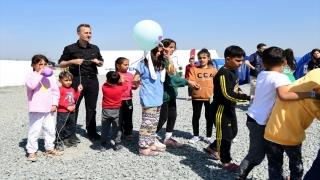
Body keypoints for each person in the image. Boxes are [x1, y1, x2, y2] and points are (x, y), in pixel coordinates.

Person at [235, 46, 315, 179]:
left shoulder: (262, 74)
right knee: (256, 154)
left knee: (269, 154)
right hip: (260, 120)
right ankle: (239, 176)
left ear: (263, 63)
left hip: (254, 116)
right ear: (284, 63)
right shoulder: (280, 78)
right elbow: (284, 95)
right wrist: (311, 94)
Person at [263, 68, 320, 180]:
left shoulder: (288, 89)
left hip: (271, 134)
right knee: (295, 165)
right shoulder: (311, 100)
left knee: (274, 164)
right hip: (291, 137)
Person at [204, 46, 252, 172]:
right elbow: (227, 94)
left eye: (242, 60)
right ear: (227, 59)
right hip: (220, 109)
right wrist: (248, 97)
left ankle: (212, 148)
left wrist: (240, 91)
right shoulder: (223, 73)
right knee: (224, 136)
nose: (240, 63)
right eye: (237, 60)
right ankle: (226, 161)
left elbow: (234, 88)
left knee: (233, 132)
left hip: (230, 108)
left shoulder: (233, 71)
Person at [58, 24, 104, 142]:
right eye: (86, 33)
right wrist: (72, 61)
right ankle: (70, 133)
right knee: (74, 107)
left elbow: (101, 62)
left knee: (91, 107)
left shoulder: (95, 48)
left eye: (90, 33)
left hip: (93, 79)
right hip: (77, 79)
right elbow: (61, 64)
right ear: (78, 34)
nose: (89, 35)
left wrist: (98, 62)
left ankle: (92, 132)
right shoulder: (70, 48)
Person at [133, 43, 175, 156]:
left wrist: (169, 58)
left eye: (161, 51)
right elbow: (135, 78)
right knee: (147, 123)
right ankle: (142, 147)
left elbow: (173, 72)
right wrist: (136, 83)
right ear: (151, 52)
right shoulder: (142, 64)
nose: (160, 53)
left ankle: (150, 143)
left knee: (154, 123)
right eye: (158, 51)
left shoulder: (161, 64)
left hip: (158, 98)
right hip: (148, 97)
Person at [156, 38, 199, 148]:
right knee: (163, 117)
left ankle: (168, 137)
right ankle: (151, 136)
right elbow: (173, 79)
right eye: (169, 47)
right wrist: (188, 82)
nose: (171, 49)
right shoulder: (161, 61)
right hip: (163, 94)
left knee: (172, 115)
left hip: (171, 94)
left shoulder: (168, 60)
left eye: (173, 47)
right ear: (162, 47)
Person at [25, 54, 63, 162]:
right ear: (33, 65)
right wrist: (40, 73)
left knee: (50, 129)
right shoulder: (30, 75)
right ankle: (32, 151)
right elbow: (31, 85)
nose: (43, 66)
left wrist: (54, 103)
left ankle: (49, 148)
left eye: (45, 64)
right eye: (40, 64)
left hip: (48, 109)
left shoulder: (50, 76)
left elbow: (55, 91)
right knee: (34, 130)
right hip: (36, 109)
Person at [188, 48, 218, 144]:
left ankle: (208, 137)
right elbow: (191, 81)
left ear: (208, 58)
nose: (202, 60)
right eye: (200, 58)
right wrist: (192, 84)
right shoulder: (194, 69)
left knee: (209, 117)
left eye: (204, 57)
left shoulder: (213, 70)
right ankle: (195, 135)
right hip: (197, 97)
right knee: (196, 116)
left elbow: (218, 83)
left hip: (210, 98)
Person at [100, 71, 128, 152]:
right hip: (117, 110)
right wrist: (122, 79)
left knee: (105, 127)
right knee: (117, 128)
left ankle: (103, 144)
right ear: (118, 80)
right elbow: (125, 86)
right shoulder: (120, 88)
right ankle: (117, 144)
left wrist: (117, 79)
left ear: (107, 80)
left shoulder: (104, 87)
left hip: (106, 110)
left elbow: (106, 82)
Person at [55, 71, 83, 151]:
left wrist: (78, 91)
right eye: (66, 80)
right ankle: (58, 140)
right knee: (61, 126)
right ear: (60, 80)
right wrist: (67, 106)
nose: (68, 82)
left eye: (70, 80)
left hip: (72, 112)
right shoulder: (59, 89)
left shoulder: (72, 89)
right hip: (62, 112)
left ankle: (67, 138)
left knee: (71, 125)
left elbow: (75, 98)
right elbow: (58, 100)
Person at [115, 57, 137, 141]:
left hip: (128, 99)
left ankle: (128, 132)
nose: (127, 66)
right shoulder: (114, 74)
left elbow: (132, 87)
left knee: (128, 116)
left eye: (128, 64)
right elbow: (110, 85)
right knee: (118, 117)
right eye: (125, 65)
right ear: (118, 65)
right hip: (118, 100)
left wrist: (135, 85)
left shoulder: (130, 75)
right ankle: (118, 132)